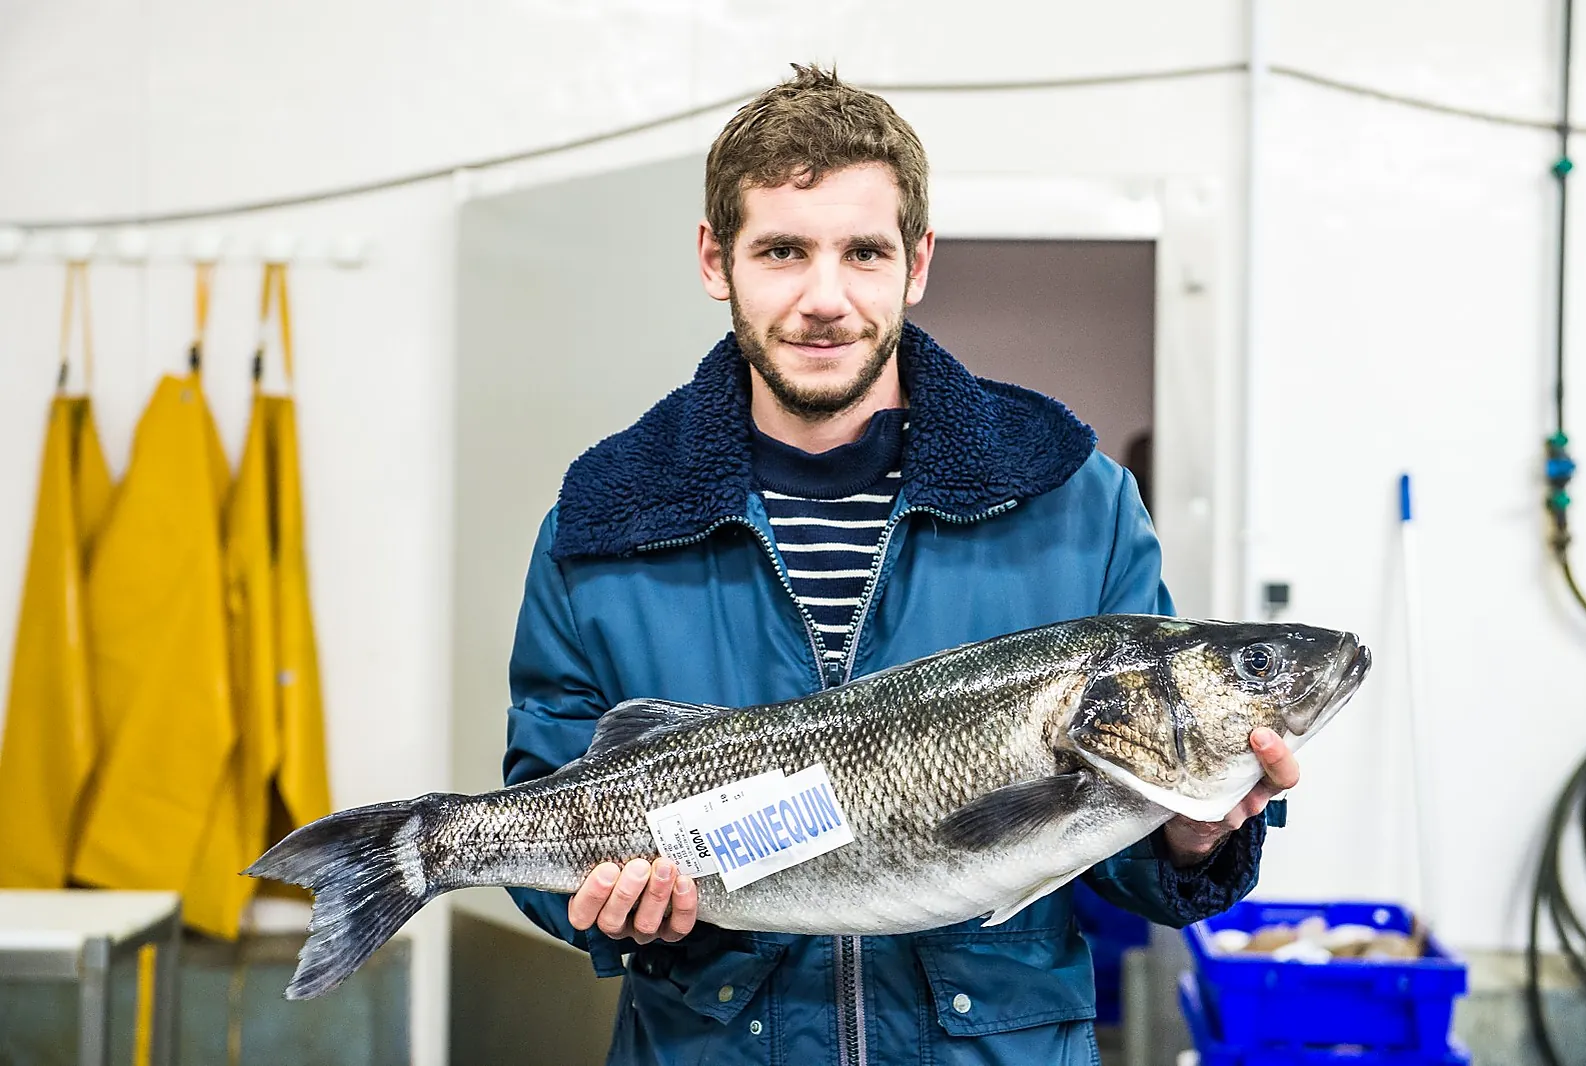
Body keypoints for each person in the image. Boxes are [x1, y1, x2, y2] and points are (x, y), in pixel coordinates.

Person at [503, 63, 1299, 1066]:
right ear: (717, 259)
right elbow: (543, 816)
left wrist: (1194, 836)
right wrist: (604, 909)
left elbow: (1116, 859)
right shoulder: (606, 520)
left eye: (863, 252)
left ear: (916, 263)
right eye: (783, 250)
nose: (824, 298)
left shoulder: (1073, 501)